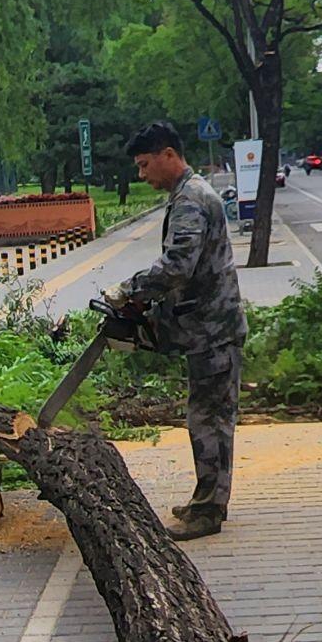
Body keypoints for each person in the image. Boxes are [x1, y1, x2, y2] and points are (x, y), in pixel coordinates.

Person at [104, 120, 246, 541]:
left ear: (168, 155)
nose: (141, 174)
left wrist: (128, 290)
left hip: (213, 331)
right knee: (209, 415)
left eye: (145, 165)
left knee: (209, 419)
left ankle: (207, 511)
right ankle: (209, 498)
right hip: (208, 328)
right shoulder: (190, 194)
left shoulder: (190, 201)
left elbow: (177, 266)